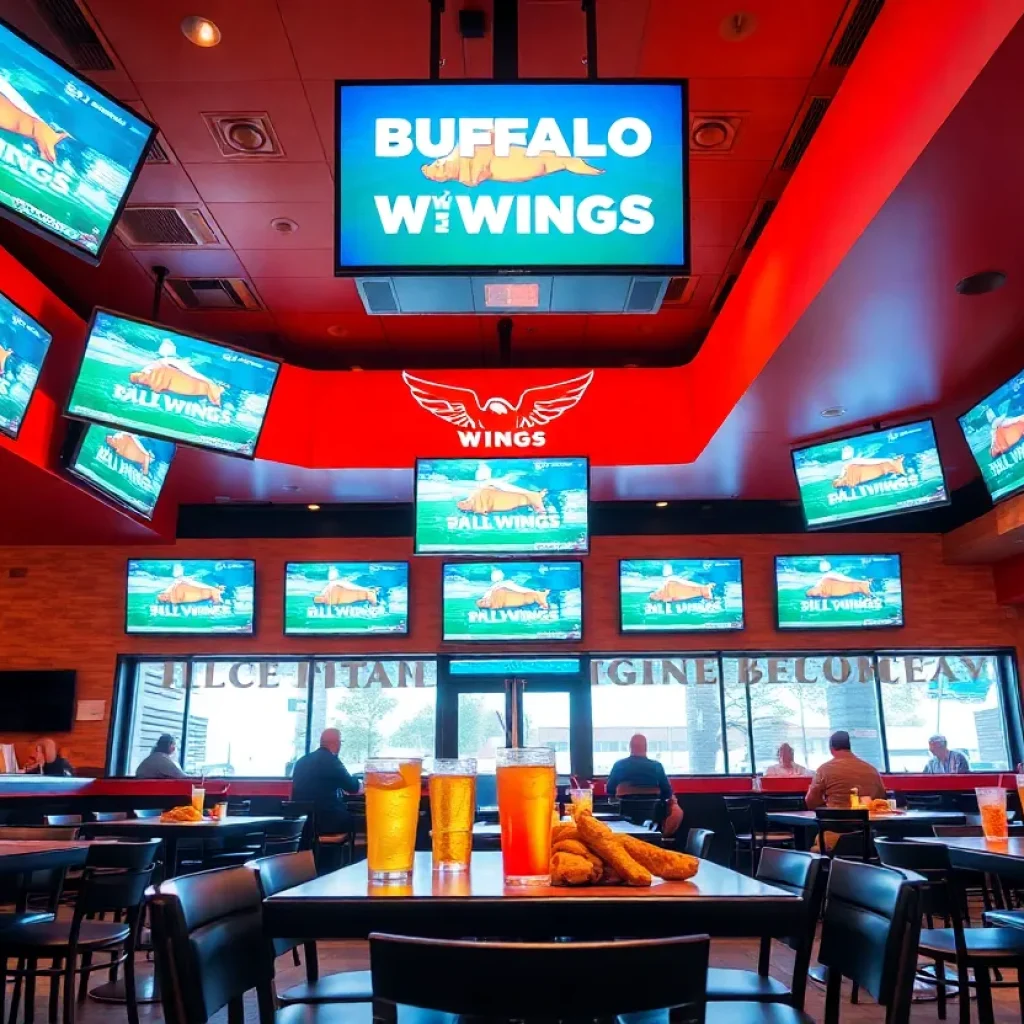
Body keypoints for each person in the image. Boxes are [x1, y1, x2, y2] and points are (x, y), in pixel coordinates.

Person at [607, 734, 684, 836]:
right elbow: (667, 793)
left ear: (630, 747)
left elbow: (609, 790)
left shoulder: (619, 765)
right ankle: (662, 839)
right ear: (646, 747)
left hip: (624, 822)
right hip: (653, 822)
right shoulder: (657, 767)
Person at [290, 728, 361, 834]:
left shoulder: (302, 760)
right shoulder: (332, 761)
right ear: (337, 743)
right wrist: (360, 782)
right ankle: (342, 850)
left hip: (302, 822)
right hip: (326, 819)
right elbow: (353, 787)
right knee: (354, 819)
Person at [805, 730, 886, 809]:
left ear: (831, 748)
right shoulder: (871, 769)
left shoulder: (823, 769)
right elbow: (882, 798)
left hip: (836, 820)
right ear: (849, 747)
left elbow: (811, 801)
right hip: (867, 820)